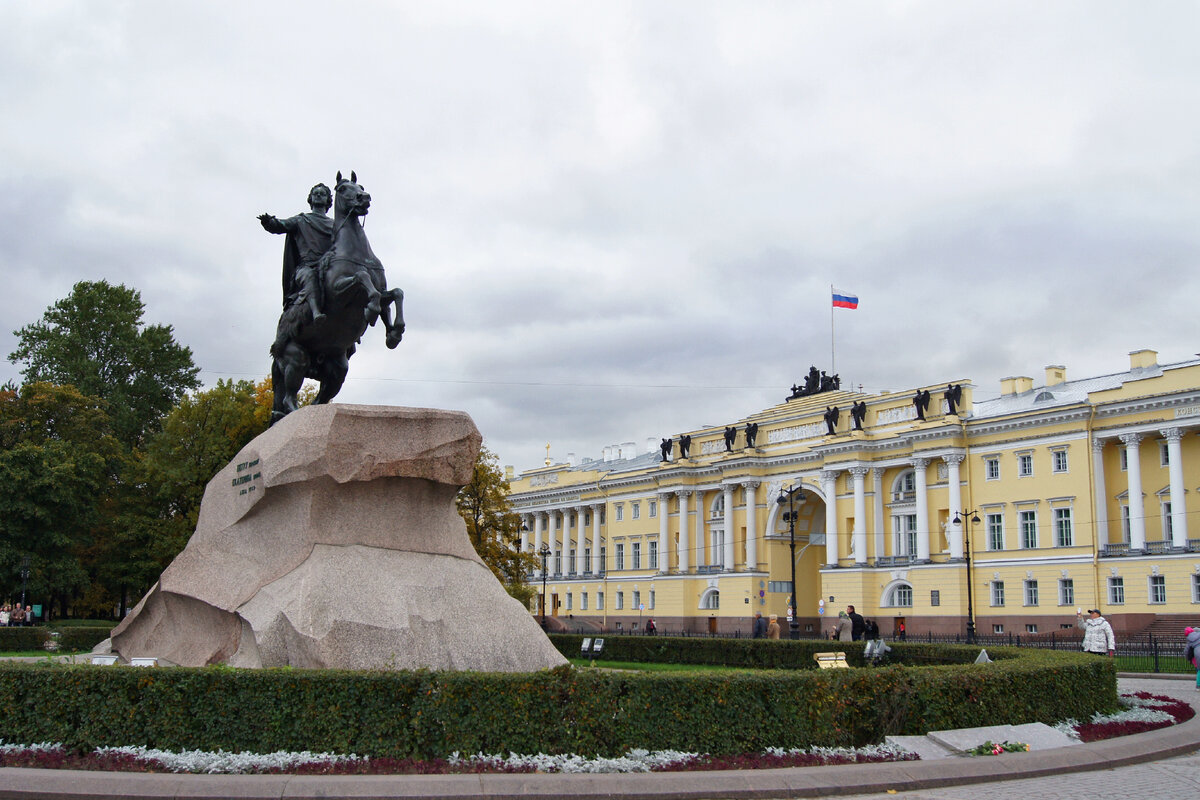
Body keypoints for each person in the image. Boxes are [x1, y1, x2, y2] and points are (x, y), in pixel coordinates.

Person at [259, 183, 335, 325]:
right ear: (310, 199)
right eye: (315, 193)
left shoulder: (335, 225)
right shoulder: (301, 220)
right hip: (307, 267)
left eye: (322, 194)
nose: (318, 195)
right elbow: (280, 225)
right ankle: (315, 312)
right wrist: (269, 222)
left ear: (328, 200)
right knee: (310, 277)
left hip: (328, 266)